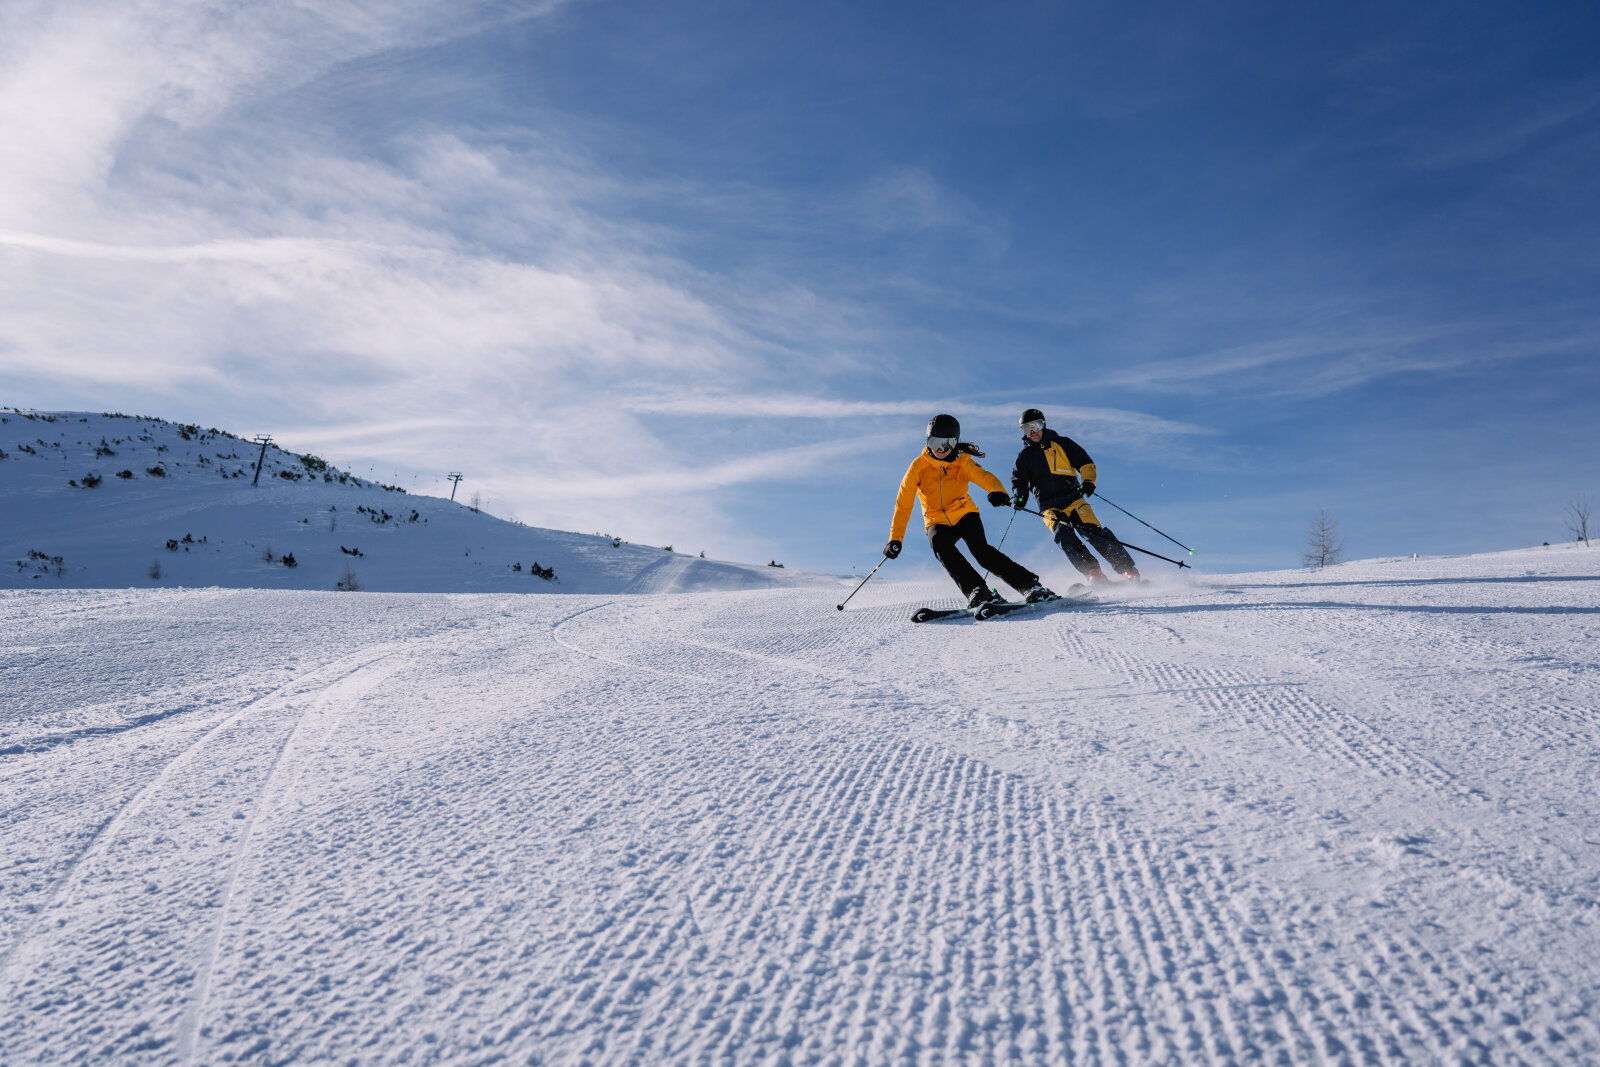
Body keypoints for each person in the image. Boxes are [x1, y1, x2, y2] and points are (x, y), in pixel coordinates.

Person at [886, 414, 1055, 607]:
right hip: (936, 520)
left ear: (955, 442)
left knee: (981, 552)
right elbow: (903, 505)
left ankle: (1030, 585)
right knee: (942, 548)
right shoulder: (917, 467)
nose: (939, 450)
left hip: (965, 514)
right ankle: (977, 590)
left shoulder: (963, 462)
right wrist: (895, 539)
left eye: (946, 444)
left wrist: (997, 491)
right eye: (934, 443)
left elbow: (985, 477)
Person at [1010, 408, 1141, 584]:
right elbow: (1019, 480)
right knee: (1064, 536)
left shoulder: (1062, 443)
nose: (1033, 432)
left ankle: (1128, 569)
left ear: (1044, 425)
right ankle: (1093, 572)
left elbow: (1085, 462)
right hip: (1049, 507)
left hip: (1073, 499)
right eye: (1027, 429)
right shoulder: (1024, 457)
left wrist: (1088, 482)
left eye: (1036, 426)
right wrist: (1019, 497)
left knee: (1094, 532)